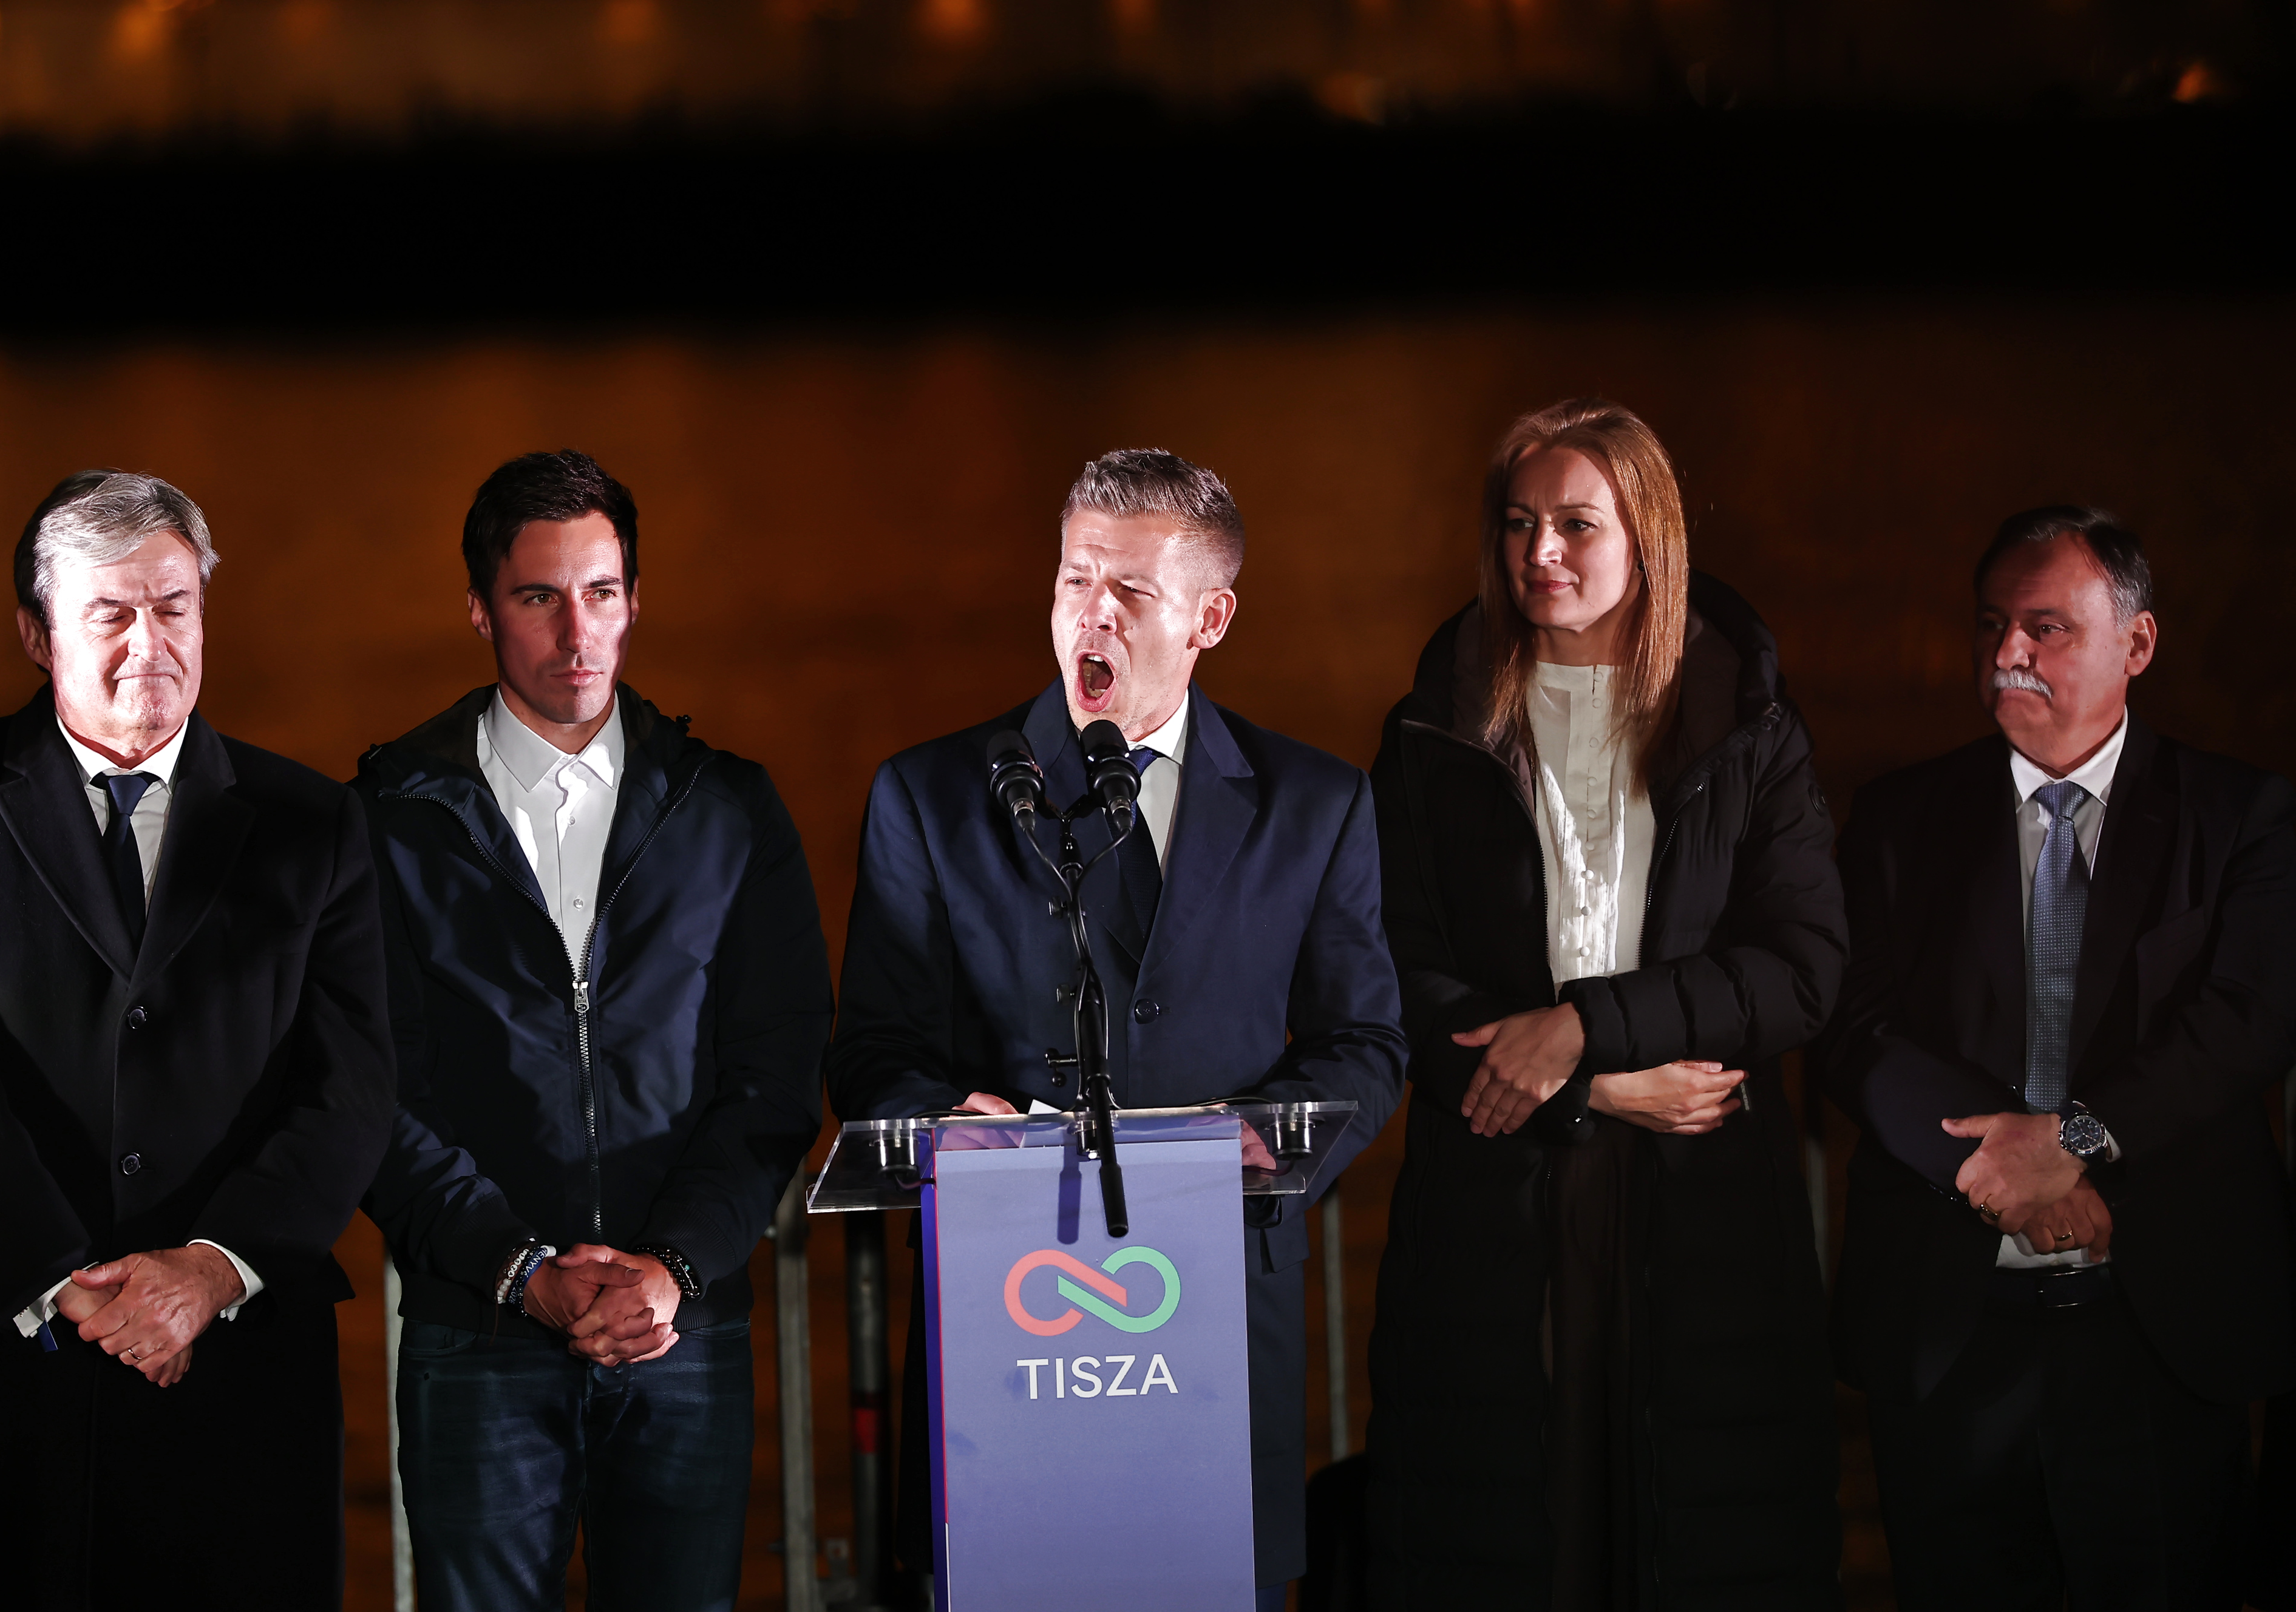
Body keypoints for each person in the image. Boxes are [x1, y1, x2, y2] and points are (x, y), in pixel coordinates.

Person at [827, 448, 1406, 1607]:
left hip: (1219, 1307)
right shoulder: (933, 795)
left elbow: (1366, 1042)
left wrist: (1262, 1141)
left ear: (1210, 618)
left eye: (1131, 591)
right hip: (1005, 1311)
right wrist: (944, 1120)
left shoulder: (1316, 803)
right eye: (1075, 580)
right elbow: (874, 1050)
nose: (1093, 612)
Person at [0, 470, 396, 1607]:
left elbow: (352, 1085)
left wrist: (212, 1269)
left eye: (173, 608)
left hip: (239, 1378)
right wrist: (63, 1284)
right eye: (110, 613)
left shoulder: (315, 822)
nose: (148, 644)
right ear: (37, 633)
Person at [1364, 399, 1847, 1610]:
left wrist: (1586, 1027)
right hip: (1495, 1196)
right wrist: (1594, 1086)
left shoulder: (1748, 721)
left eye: (1578, 524)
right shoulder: (1434, 726)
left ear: (1650, 538)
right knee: (1509, 1543)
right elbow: (1393, 969)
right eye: (1519, 522)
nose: (1543, 551)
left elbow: (1801, 969)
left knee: (1700, 1542)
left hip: (1705, 1199)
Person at [355, 450, 832, 1611]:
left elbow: (775, 1076)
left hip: (684, 1331)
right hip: (478, 1330)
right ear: (481, 609)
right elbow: (369, 1089)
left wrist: (673, 1269)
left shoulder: (728, 808)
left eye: (602, 593)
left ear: (634, 599)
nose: (579, 634)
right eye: (539, 597)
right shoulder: (388, 820)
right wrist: (519, 1271)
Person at [1822, 506, 2295, 1610]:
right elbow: (1853, 1026)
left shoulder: (2244, 817)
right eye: (1992, 625)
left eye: (2046, 628)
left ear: (2138, 642)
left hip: (2161, 1330)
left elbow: (2249, 1019)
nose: (2008, 654)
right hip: (1947, 1331)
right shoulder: (1896, 820)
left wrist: (2076, 1143)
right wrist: (2007, 1171)